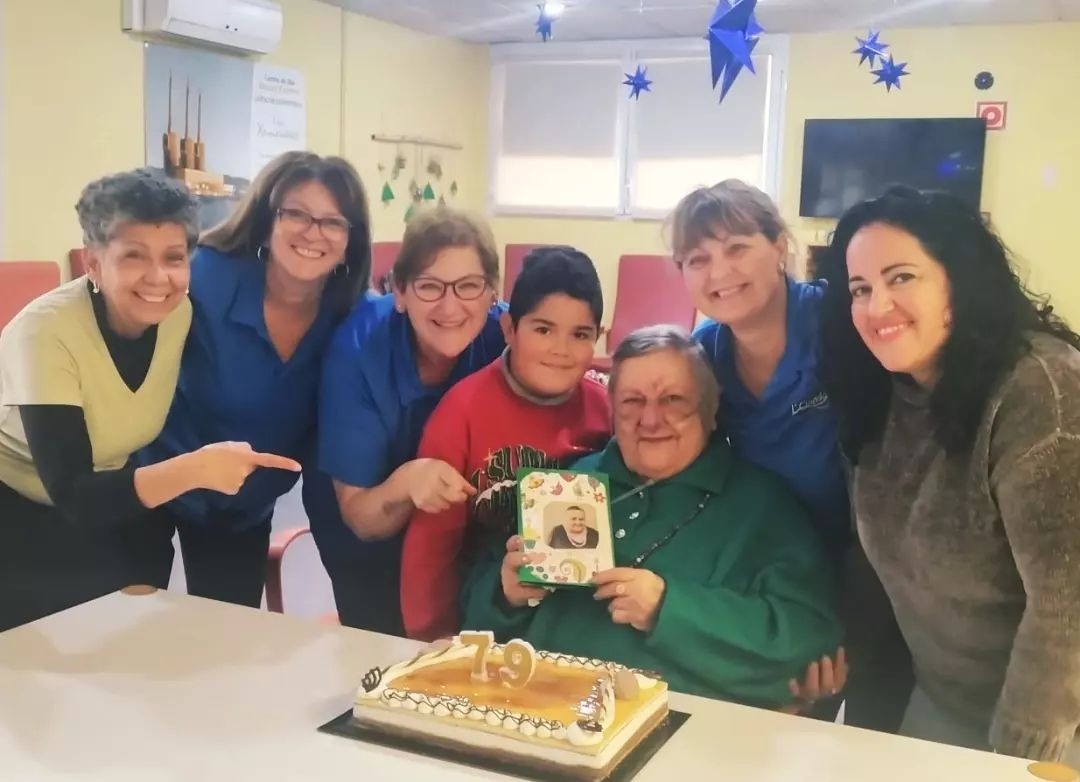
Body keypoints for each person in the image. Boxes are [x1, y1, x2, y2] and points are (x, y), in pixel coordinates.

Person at [818, 185, 1080, 762]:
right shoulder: (876, 394)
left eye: (901, 277)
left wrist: (1018, 758)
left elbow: (1068, 606)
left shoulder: (1042, 389)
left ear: (960, 282)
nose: (877, 306)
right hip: (942, 704)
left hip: (1052, 728)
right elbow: (869, 557)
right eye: (860, 289)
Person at [463, 326, 843, 707]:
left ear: (711, 410)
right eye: (633, 401)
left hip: (681, 729)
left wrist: (667, 608)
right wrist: (506, 594)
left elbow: (810, 643)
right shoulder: (565, 484)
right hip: (534, 711)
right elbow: (472, 609)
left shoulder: (762, 506)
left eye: (673, 400)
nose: (650, 419)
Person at [0, 169, 299, 631]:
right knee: (50, 646)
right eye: (133, 256)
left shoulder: (178, 315)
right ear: (93, 263)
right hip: (21, 507)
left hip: (112, 497)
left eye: (174, 258)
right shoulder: (45, 333)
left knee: (138, 627)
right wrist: (195, 469)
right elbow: (73, 492)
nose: (158, 278)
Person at [670, 179, 897, 723]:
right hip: (783, 572)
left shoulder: (839, 325)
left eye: (737, 247)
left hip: (881, 570)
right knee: (788, 717)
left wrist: (846, 632)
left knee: (878, 729)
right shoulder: (705, 356)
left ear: (779, 246)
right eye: (698, 259)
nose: (720, 272)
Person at [138, 152, 372, 608]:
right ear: (268, 220)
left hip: (242, 506)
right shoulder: (203, 277)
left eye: (332, 222)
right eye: (296, 214)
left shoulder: (354, 318)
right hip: (155, 477)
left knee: (226, 635)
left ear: (351, 240)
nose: (313, 232)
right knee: (126, 621)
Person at [306, 207, 506, 635]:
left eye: (469, 285)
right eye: (429, 286)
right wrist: (406, 484)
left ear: (493, 291)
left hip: (459, 530)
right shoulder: (358, 351)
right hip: (366, 532)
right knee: (388, 651)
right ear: (399, 290)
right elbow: (359, 515)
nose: (450, 307)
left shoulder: (503, 333)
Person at [400, 247, 611, 641]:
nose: (561, 349)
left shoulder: (606, 409)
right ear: (510, 329)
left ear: (598, 339)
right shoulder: (461, 412)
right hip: (481, 622)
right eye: (543, 330)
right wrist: (432, 637)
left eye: (580, 334)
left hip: (572, 626)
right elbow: (432, 546)